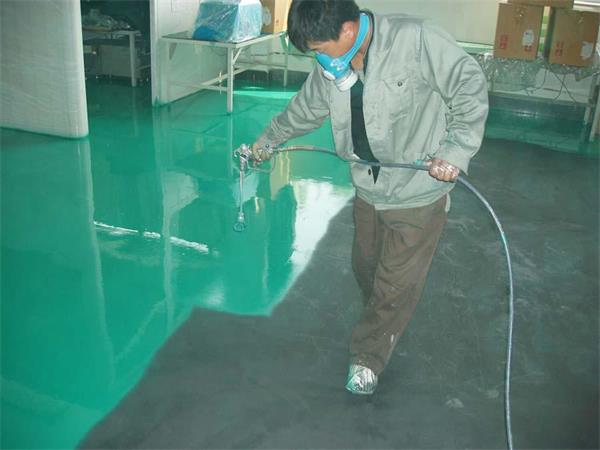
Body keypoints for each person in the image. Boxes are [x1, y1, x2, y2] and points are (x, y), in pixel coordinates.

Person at [251, 0, 488, 395]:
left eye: (319, 48)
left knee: (394, 283)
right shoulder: (333, 63)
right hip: (369, 188)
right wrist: (268, 140)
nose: (318, 58)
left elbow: (469, 85)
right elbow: (305, 109)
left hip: (417, 191)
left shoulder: (416, 40)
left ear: (348, 30)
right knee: (366, 267)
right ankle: (386, 316)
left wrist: (456, 150)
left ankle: (367, 359)